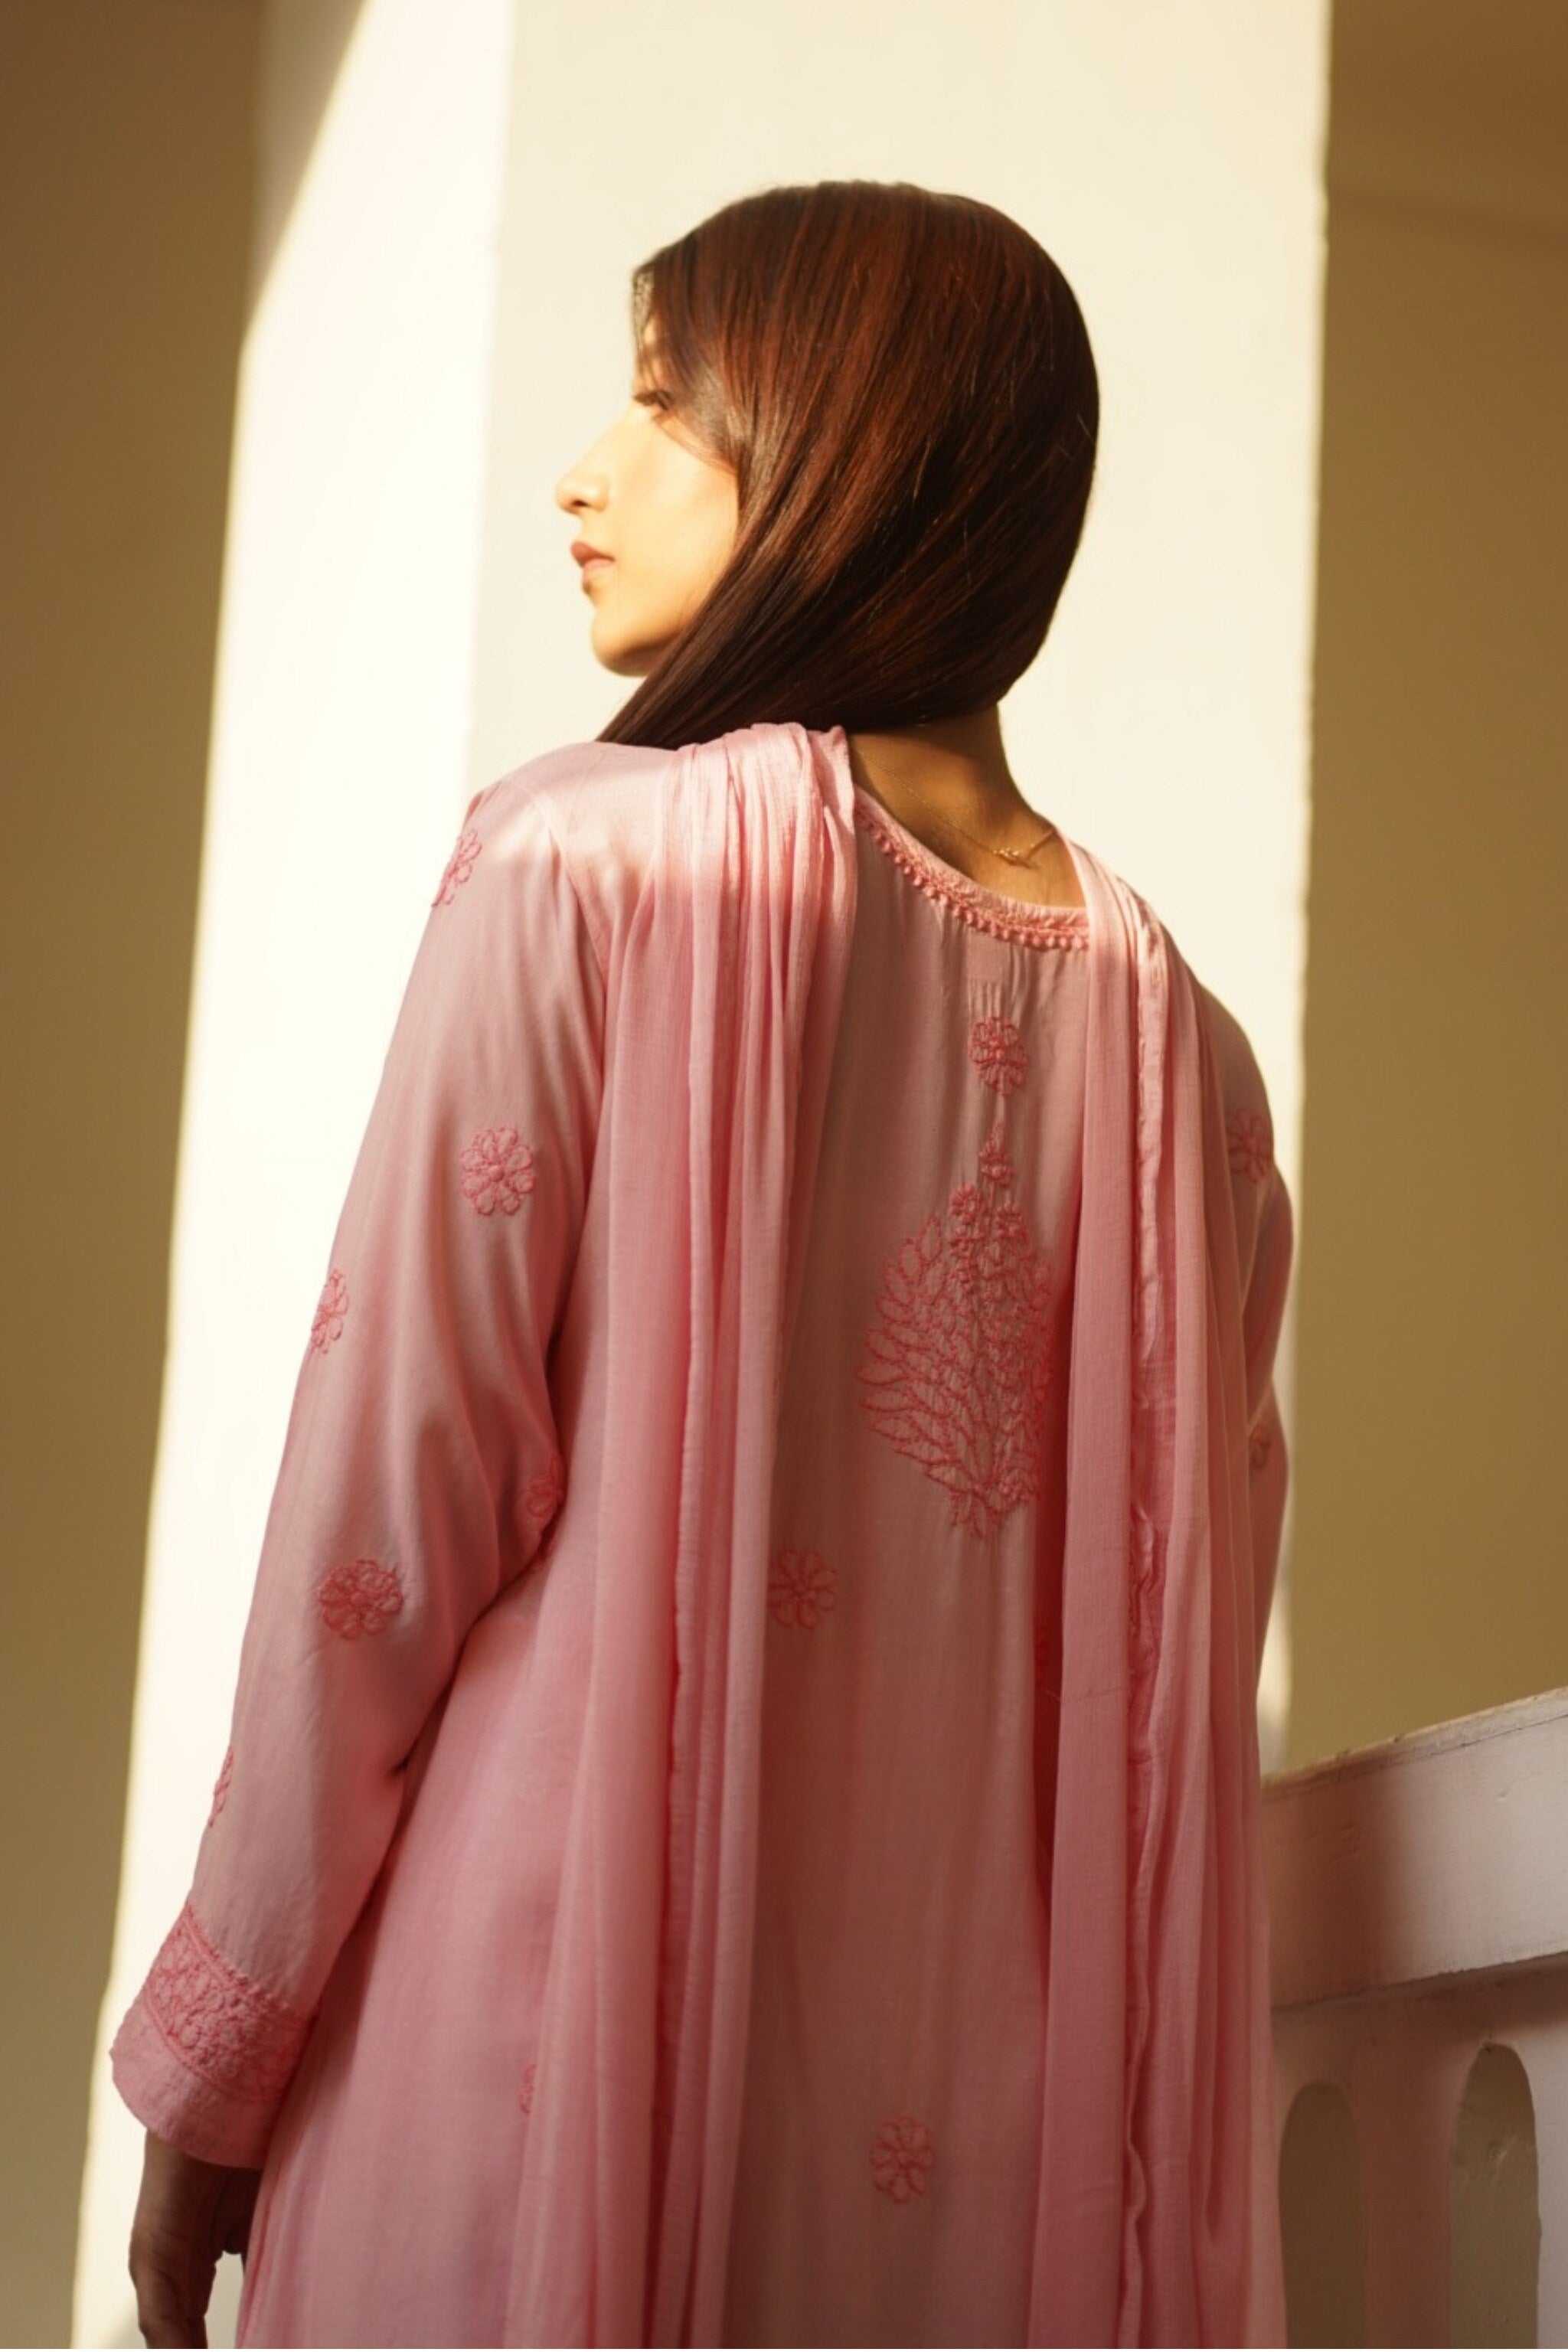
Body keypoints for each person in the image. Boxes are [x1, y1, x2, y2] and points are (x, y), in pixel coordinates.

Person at [115, 179, 1294, 2346]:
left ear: (843, 440)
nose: (586, 470)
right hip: (976, 2200)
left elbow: (380, 1543)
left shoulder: (578, 866)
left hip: (518, 2095)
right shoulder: (1195, 1082)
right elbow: (1167, 1710)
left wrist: (216, 2062)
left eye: (664, 404)